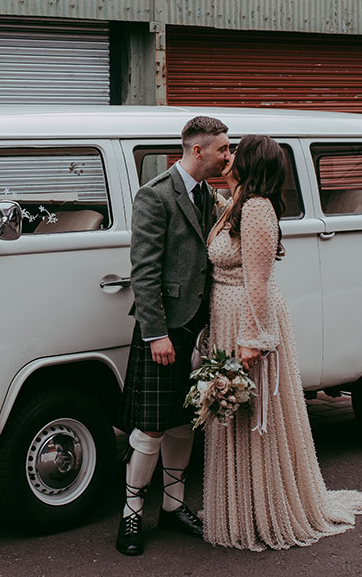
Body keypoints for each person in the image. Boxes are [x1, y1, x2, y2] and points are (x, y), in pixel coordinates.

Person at [202, 134, 362, 551]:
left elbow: (258, 281)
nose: (228, 156)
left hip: (246, 320)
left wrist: (250, 340)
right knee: (237, 419)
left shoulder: (256, 209)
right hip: (227, 316)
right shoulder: (237, 201)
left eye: (235, 151)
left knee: (253, 418)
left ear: (250, 162)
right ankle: (246, 505)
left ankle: (265, 509)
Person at [115, 115, 231, 556]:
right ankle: (130, 516)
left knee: (186, 422)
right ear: (197, 150)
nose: (227, 155)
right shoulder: (155, 194)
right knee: (150, 429)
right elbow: (143, 271)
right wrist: (156, 333)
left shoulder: (210, 196)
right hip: (165, 332)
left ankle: (173, 507)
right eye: (222, 148)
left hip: (202, 329)